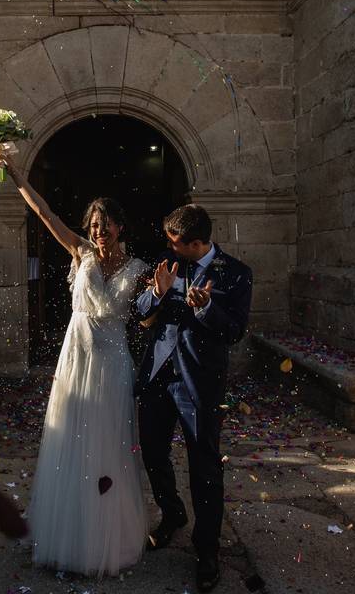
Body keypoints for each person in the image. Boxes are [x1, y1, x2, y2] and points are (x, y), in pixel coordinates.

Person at [0, 150, 148, 577]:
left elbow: (152, 314)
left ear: (120, 227)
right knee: (73, 442)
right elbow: (44, 214)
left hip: (114, 360)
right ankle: (71, 534)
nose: (98, 232)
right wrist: (15, 174)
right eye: (94, 225)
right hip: (77, 355)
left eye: (106, 225)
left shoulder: (138, 268)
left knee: (108, 447)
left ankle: (106, 539)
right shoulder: (79, 251)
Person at [135, 204, 253, 592]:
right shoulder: (169, 263)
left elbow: (234, 330)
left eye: (175, 242)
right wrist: (157, 292)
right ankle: (172, 514)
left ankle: (207, 550)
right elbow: (141, 311)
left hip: (199, 383)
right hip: (157, 378)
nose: (169, 247)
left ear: (196, 242)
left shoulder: (235, 274)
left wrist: (206, 310)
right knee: (153, 453)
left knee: (204, 467)